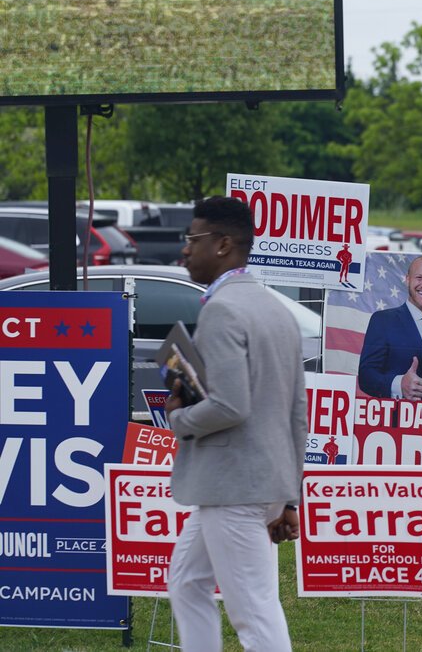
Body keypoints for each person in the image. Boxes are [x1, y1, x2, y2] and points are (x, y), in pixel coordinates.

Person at [165, 196, 307, 652]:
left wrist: (179, 418)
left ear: (223, 244)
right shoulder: (277, 309)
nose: (185, 250)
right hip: (253, 487)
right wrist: (289, 498)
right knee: (186, 582)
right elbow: (296, 415)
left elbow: (229, 406)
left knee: (255, 613)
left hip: (233, 488)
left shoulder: (223, 309)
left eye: (193, 239)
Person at [358, 256, 422, 411]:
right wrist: (399, 384)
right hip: (399, 424)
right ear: (407, 279)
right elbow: (366, 376)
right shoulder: (384, 320)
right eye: (419, 278)